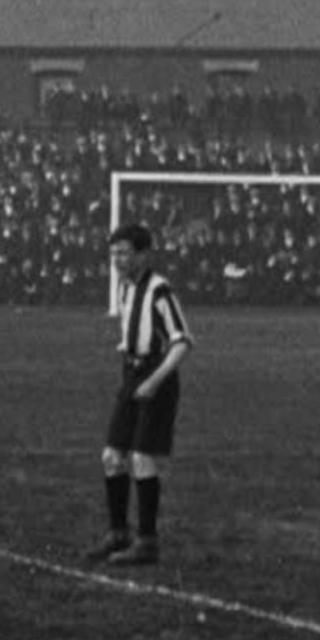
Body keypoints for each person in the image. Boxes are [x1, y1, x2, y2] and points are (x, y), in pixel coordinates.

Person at [85, 223, 193, 567]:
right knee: (111, 457)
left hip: (155, 378)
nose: (117, 259)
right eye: (113, 253)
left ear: (144, 254)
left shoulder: (160, 290)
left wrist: (155, 379)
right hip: (131, 375)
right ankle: (119, 532)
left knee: (142, 459)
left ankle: (147, 541)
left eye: (124, 253)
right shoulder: (125, 288)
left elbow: (182, 342)